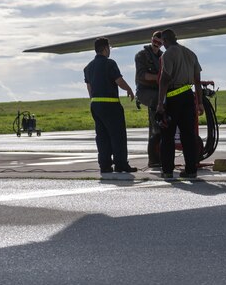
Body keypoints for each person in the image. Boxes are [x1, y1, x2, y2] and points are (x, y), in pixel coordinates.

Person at [83, 37, 137, 175]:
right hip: (111, 105)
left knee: (102, 136)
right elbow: (118, 80)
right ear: (105, 48)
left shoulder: (88, 67)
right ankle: (120, 164)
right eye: (109, 48)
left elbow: (89, 87)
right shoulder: (110, 63)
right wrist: (129, 89)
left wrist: (94, 102)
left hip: (95, 104)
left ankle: (105, 165)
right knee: (117, 135)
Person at [155, 28, 204, 180]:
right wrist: (200, 103)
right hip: (189, 97)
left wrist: (160, 103)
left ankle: (168, 170)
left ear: (164, 41)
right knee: (189, 135)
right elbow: (197, 80)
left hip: (173, 97)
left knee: (167, 135)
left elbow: (165, 78)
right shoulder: (191, 53)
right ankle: (191, 170)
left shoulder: (168, 54)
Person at [134, 31, 164, 169]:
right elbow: (141, 75)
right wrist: (158, 77)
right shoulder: (142, 55)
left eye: (159, 42)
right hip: (145, 91)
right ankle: (154, 159)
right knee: (156, 125)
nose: (156, 44)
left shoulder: (163, 56)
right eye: (155, 41)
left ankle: (162, 155)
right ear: (151, 40)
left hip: (160, 92)